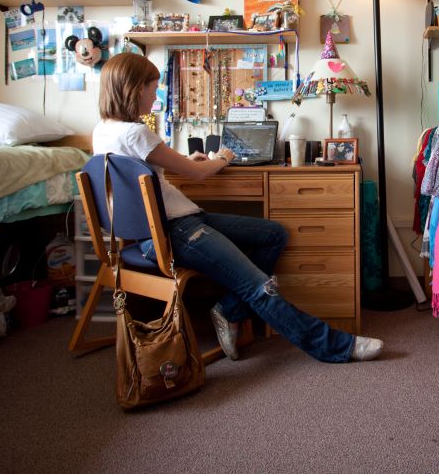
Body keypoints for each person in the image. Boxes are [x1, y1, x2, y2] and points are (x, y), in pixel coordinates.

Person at [93, 53, 383, 363]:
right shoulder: (137, 132)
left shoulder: (102, 131)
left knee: (273, 233)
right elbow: (199, 174)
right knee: (259, 285)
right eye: (153, 88)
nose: (155, 96)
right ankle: (335, 346)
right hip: (174, 231)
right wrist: (224, 158)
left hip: (157, 232)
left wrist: (185, 160)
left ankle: (229, 310)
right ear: (137, 88)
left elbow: (147, 165)